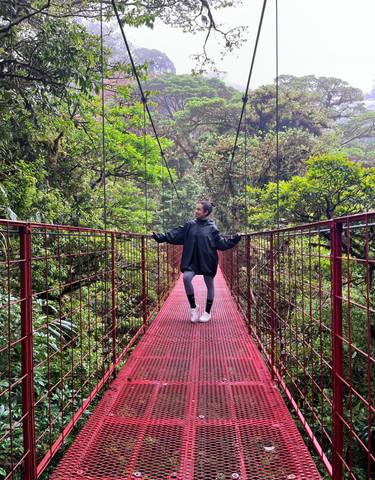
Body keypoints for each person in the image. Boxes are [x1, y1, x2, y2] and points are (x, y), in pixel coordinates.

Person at [152, 201, 241, 323]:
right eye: (196, 209)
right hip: (192, 259)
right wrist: (161, 237)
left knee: (209, 284)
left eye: (199, 210)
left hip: (208, 260)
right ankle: (193, 307)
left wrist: (234, 240)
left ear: (206, 212)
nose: (196, 211)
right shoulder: (190, 225)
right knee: (186, 278)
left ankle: (207, 312)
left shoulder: (212, 228)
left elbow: (221, 243)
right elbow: (176, 233)